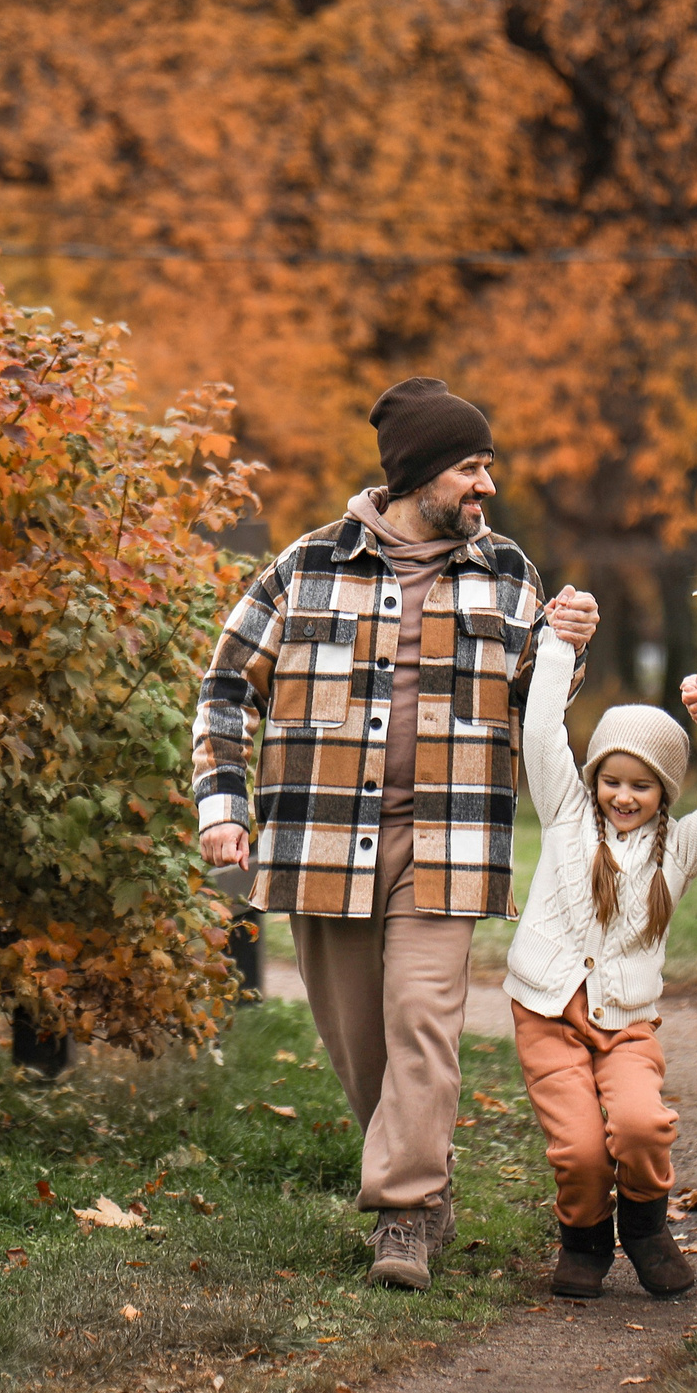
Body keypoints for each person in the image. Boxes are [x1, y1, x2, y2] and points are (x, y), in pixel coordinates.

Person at [192, 377, 598, 1291]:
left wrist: (569, 647)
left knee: (422, 1020)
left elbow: (535, 709)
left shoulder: (509, 575)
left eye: (488, 466)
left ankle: (404, 1217)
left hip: (444, 842)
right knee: (360, 1044)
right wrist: (224, 808)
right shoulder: (304, 567)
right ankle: (422, 1172)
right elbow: (224, 688)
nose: (486, 486)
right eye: (469, 467)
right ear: (418, 477)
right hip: (324, 841)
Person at [503, 637, 697, 1298]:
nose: (623, 795)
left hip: (627, 1026)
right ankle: (584, 1239)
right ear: (593, 778)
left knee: (641, 1125)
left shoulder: (681, 847)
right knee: (581, 1149)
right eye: (612, 780)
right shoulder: (564, 811)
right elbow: (541, 729)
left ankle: (645, 1227)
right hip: (548, 1015)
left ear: (664, 791)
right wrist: (557, 646)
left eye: (641, 785)